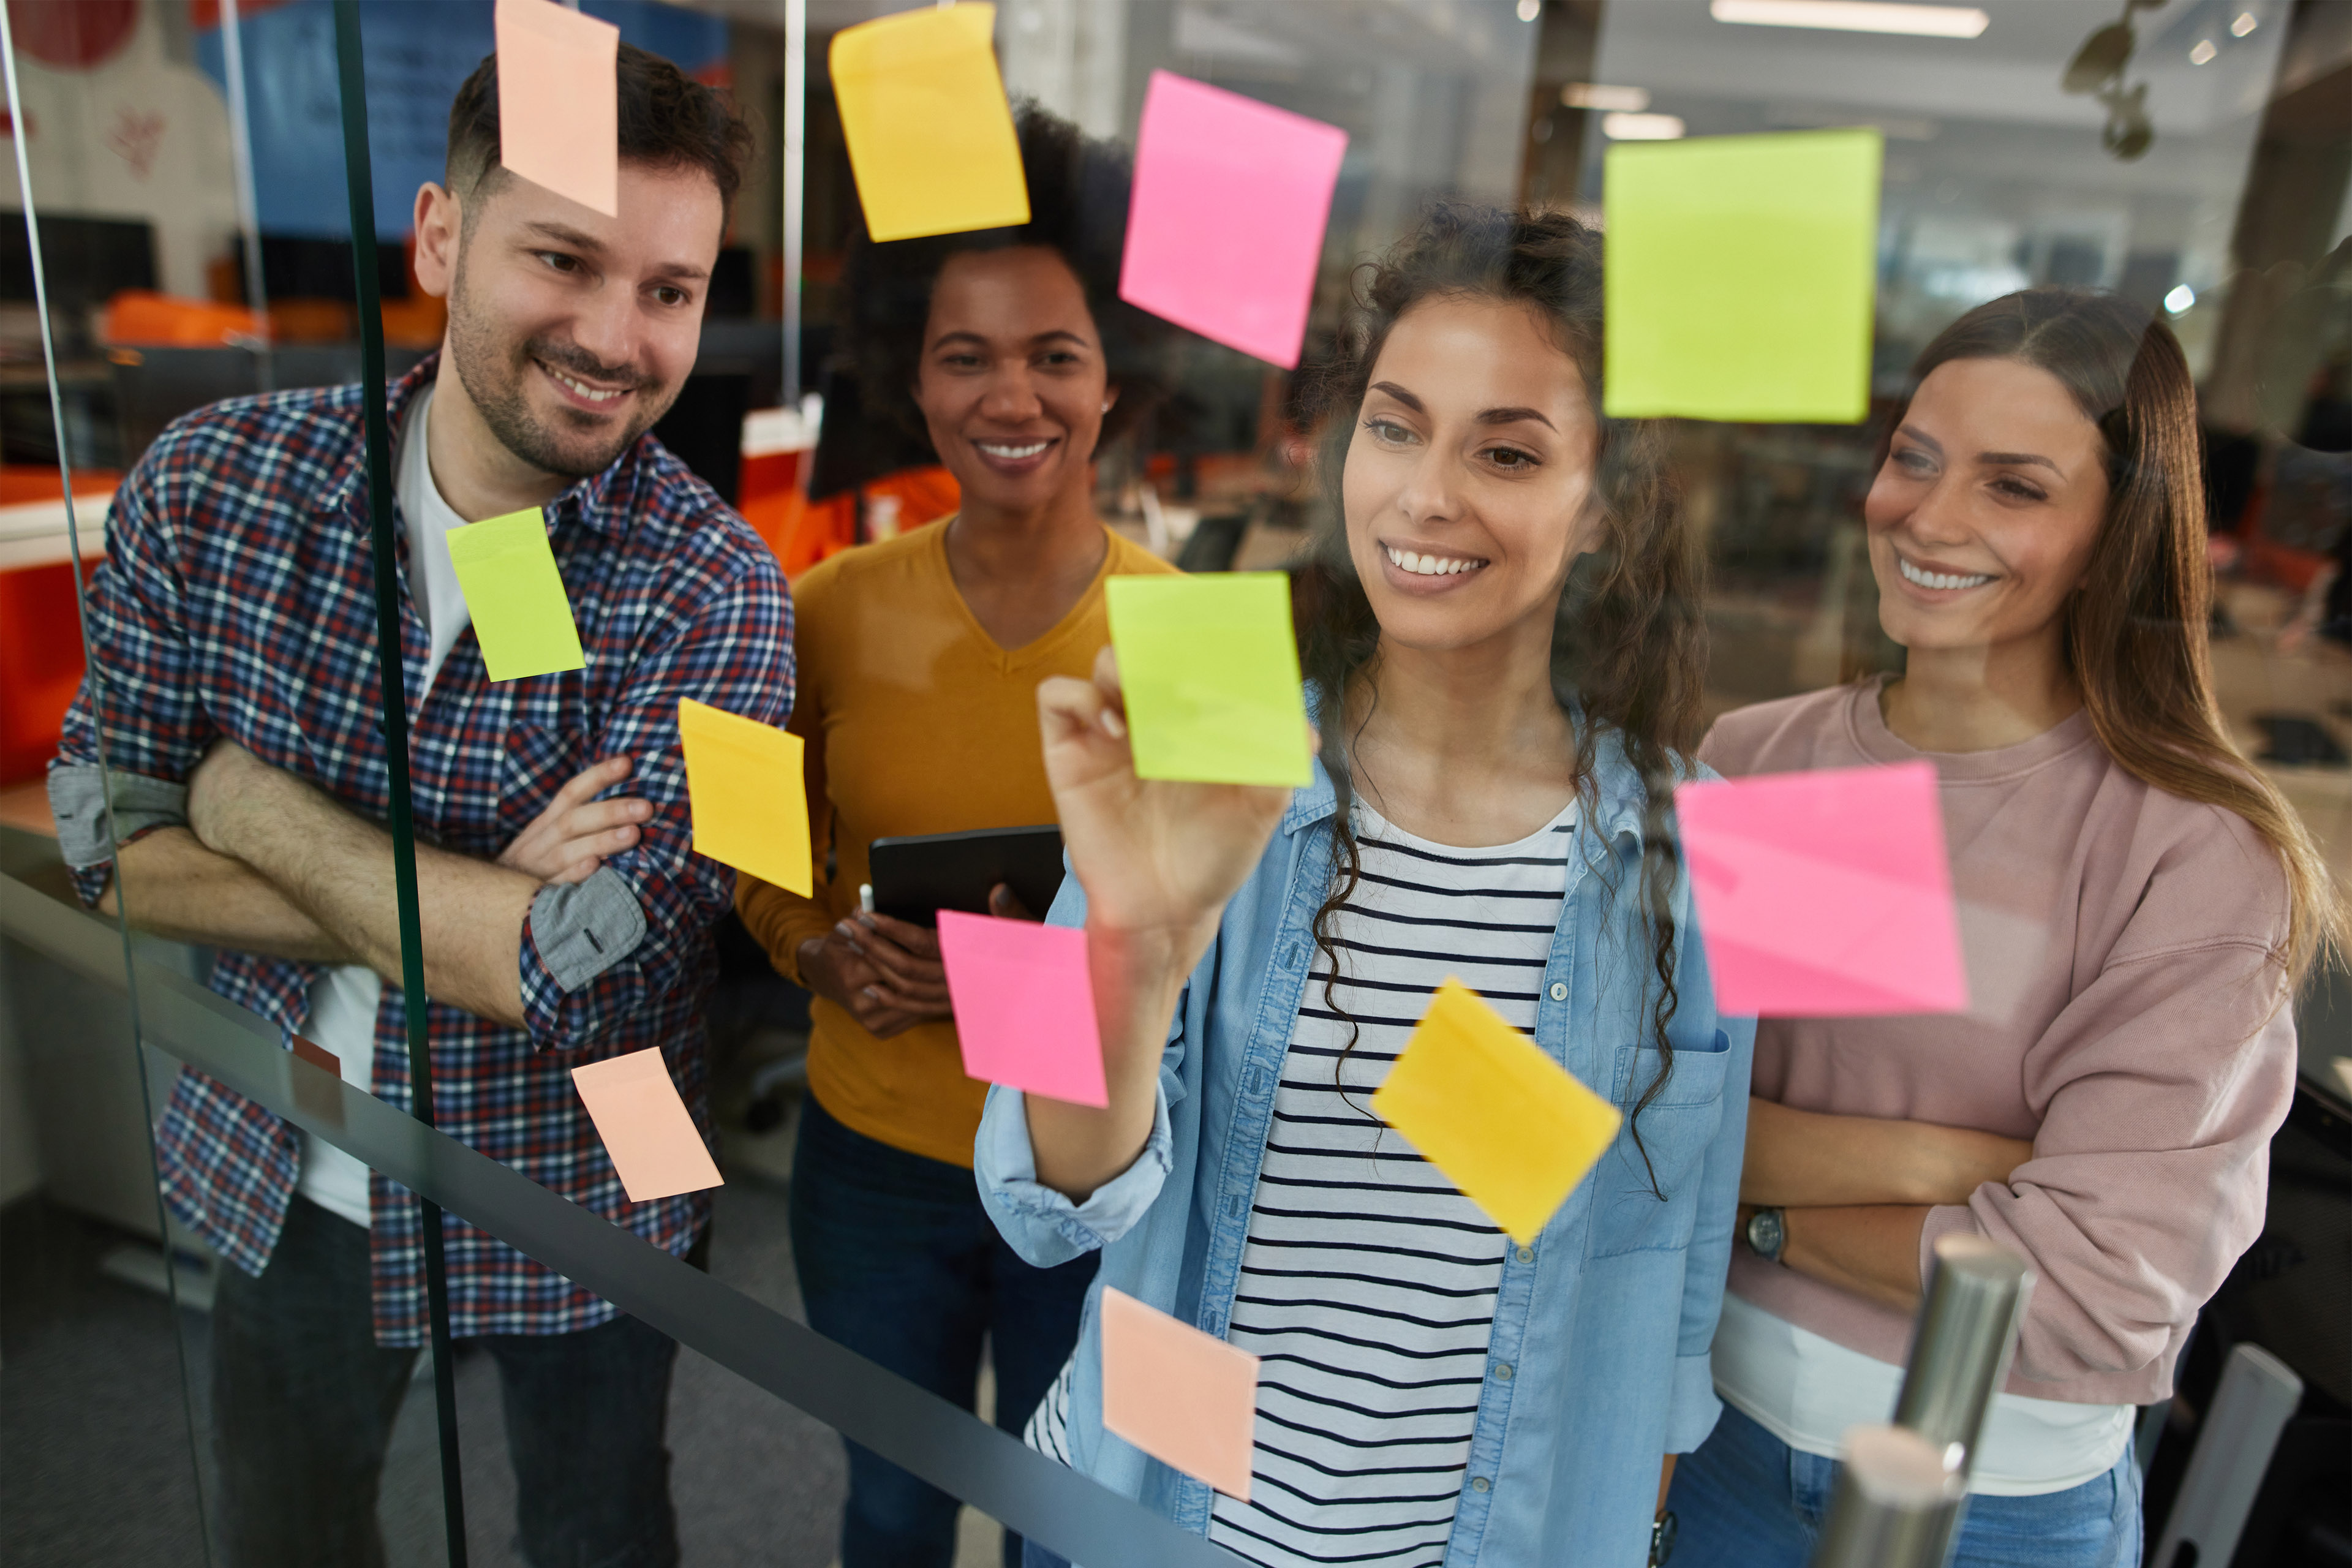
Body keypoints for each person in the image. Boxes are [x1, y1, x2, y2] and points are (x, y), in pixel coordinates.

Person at [46, 46, 784, 1568]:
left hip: (590, 1179)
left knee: (596, 1535)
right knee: (288, 1531)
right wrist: (469, 899)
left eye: (668, 287)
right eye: (564, 259)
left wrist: (243, 805)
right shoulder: (215, 486)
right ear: (441, 238)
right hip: (288, 1155)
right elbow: (103, 846)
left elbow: (591, 966)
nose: (613, 335)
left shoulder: (718, 588)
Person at [978, 204, 1755, 1568]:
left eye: (1506, 451)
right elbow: (1036, 1194)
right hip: (1149, 1512)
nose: (1428, 493)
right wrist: (1135, 936)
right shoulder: (1205, 728)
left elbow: (1679, 1274)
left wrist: (1629, 1519)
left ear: (1606, 509)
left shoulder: (1706, 845)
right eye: (1396, 427)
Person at [1668, 289, 2340, 1568]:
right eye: (1914, 458)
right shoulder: (1761, 763)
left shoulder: (2192, 850)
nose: (1932, 515)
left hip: (1999, 1513)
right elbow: (1666, 1123)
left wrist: (1753, 1211)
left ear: (2115, 533)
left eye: (2014, 486)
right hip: (1708, 1455)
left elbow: (2095, 1288)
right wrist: (1954, 1161)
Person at [731, 107, 1176, 1568]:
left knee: (1073, 1520)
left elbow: (1232, 951)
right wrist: (820, 955)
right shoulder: (821, 608)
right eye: (965, 353)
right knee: (893, 1506)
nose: (1013, 392)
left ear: (1112, 380)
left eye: (1056, 352)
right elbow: (753, 857)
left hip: (1092, 1174)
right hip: (874, 1165)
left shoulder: (1201, 634)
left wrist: (997, 989)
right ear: (912, 381)